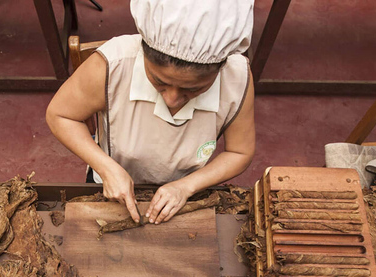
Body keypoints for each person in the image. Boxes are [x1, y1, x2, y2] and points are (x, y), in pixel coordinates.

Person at [46, 0, 255, 225]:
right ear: (143, 54)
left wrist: (185, 187)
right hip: (111, 177)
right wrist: (106, 168)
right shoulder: (113, 65)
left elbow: (239, 152)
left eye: (193, 89)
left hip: (190, 186)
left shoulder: (236, 79)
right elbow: (60, 115)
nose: (172, 99)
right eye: (159, 81)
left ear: (220, 69)